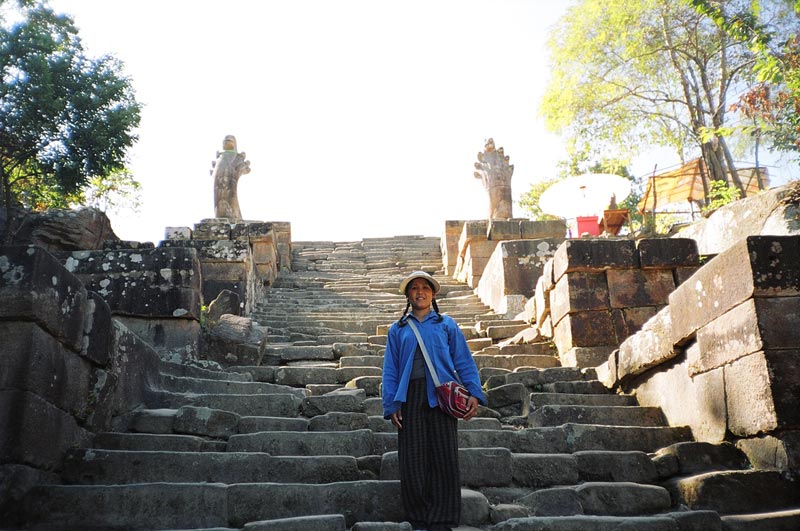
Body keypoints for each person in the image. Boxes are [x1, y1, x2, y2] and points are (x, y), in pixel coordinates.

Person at [382, 271, 487, 531]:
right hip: (410, 397)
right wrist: (391, 404)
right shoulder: (398, 329)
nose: (420, 292)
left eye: (425, 288)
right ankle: (418, 517)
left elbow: (463, 360)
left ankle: (442, 519)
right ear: (408, 295)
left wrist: (474, 392)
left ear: (433, 294)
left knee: (444, 457)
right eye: (415, 288)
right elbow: (390, 369)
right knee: (412, 459)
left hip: (442, 397)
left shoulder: (447, 324)